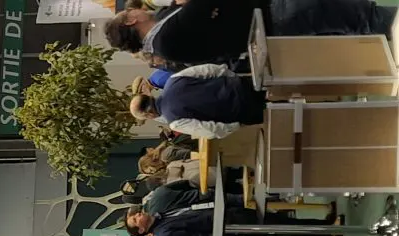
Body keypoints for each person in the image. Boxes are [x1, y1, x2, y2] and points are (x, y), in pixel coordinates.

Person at [104, 0, 396, 67]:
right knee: (355, 15)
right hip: (270, 16)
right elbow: (205, 9)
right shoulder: (167, 39)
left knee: (349, 20)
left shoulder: (165, 37)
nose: (140, 9)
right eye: (133, 11)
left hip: (268, 21)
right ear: (130, 21)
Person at [128, 65, 266, 139]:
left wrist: (236, 125)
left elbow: (210, 131)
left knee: (282, 112)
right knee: (281, 86)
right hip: (240, 85)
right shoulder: (174, 79)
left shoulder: (175, 122)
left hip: (240, 111)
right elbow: (209, 70)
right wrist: (232, 79)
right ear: (149, 96)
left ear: (149, 115)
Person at [124, 206, 337, 236]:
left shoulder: (163, 215)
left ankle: (324, 227)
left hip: (228, 214)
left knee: (279, 222)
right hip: (231, 228)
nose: (137, 215)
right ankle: (327, 234)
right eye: (135, 220)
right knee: (279, 232)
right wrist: (228, 232)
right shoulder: (166, 234)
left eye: (134, 214)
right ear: (142, 232)